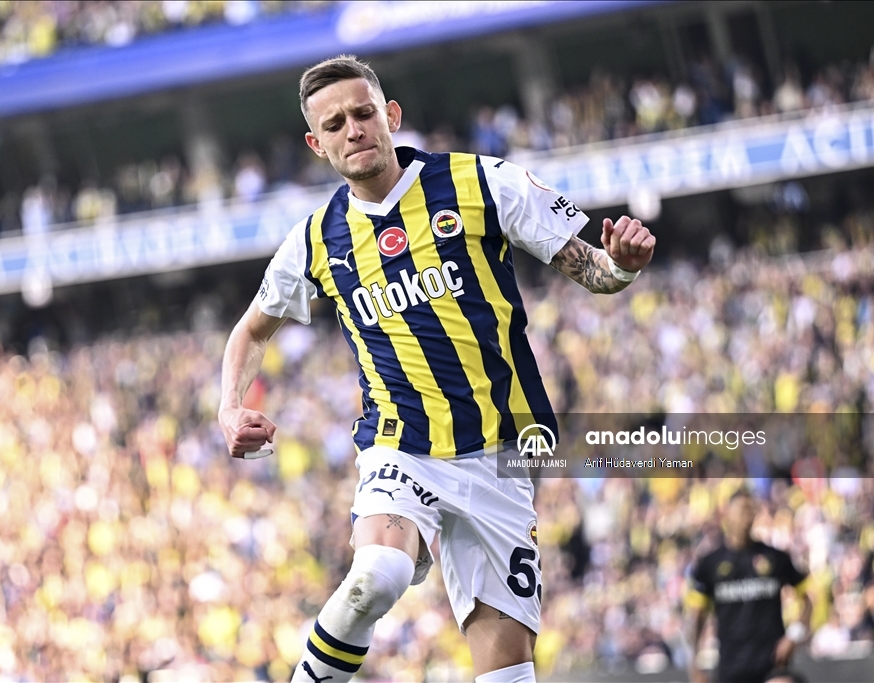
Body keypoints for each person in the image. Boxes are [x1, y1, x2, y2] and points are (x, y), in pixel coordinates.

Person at [217, 54, 655, 683]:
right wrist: (230, 407)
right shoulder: (315, 240)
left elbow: (595, 271)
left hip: (501, 454)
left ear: (391, 115)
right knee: (377, 576)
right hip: (402, 446)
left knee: (507, 676)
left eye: (364, 113)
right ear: (317, 145)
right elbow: (250, 331)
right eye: (334, 124)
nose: (353, 130)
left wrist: (622, 266)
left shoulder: (483, 182)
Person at [685, 491, 813, 683]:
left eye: (752, 510)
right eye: (743, 510)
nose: (749, 515)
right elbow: (697, 616)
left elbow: (808, 599)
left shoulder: (775, 557)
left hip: (773, 663)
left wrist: (794, 635)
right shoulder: (709, 564)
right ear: (727, 514)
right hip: (731, 667)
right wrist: (693, 663)